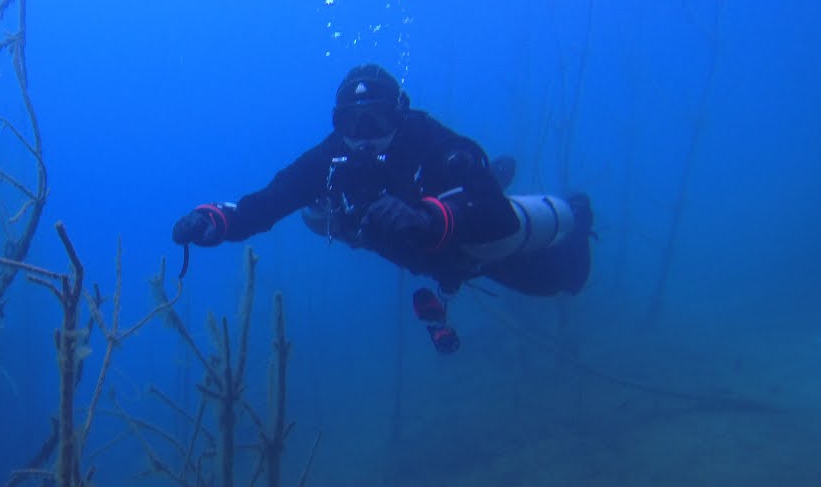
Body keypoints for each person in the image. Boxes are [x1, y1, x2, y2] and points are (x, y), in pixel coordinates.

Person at [171, 64, 593, 352]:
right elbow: (264, 206)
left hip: (467, 252)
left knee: (564, 281)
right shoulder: (328, 160)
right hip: (427, 260)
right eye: (351, 123)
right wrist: (213, 221)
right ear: (337, 124)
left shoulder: (431, 142)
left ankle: (578, 210)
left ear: (400, 114)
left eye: (377, 120)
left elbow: (496, 215)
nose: (364, 135)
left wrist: (427, 217)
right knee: (314, 212)